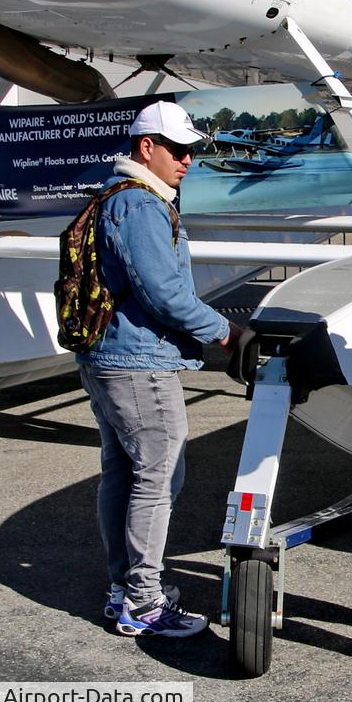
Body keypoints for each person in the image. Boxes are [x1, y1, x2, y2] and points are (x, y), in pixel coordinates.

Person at [78, 100, 238, 638]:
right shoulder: (141, 204)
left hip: (105, 356)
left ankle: (123, 589)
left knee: (122, 473)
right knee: (158, 476)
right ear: (147, 147)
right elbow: (164, 293)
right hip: (138, 362)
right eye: (178, 149)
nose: (188, 160)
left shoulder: (111, 196)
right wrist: (226, 332)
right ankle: (143, 602)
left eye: (192, 151)